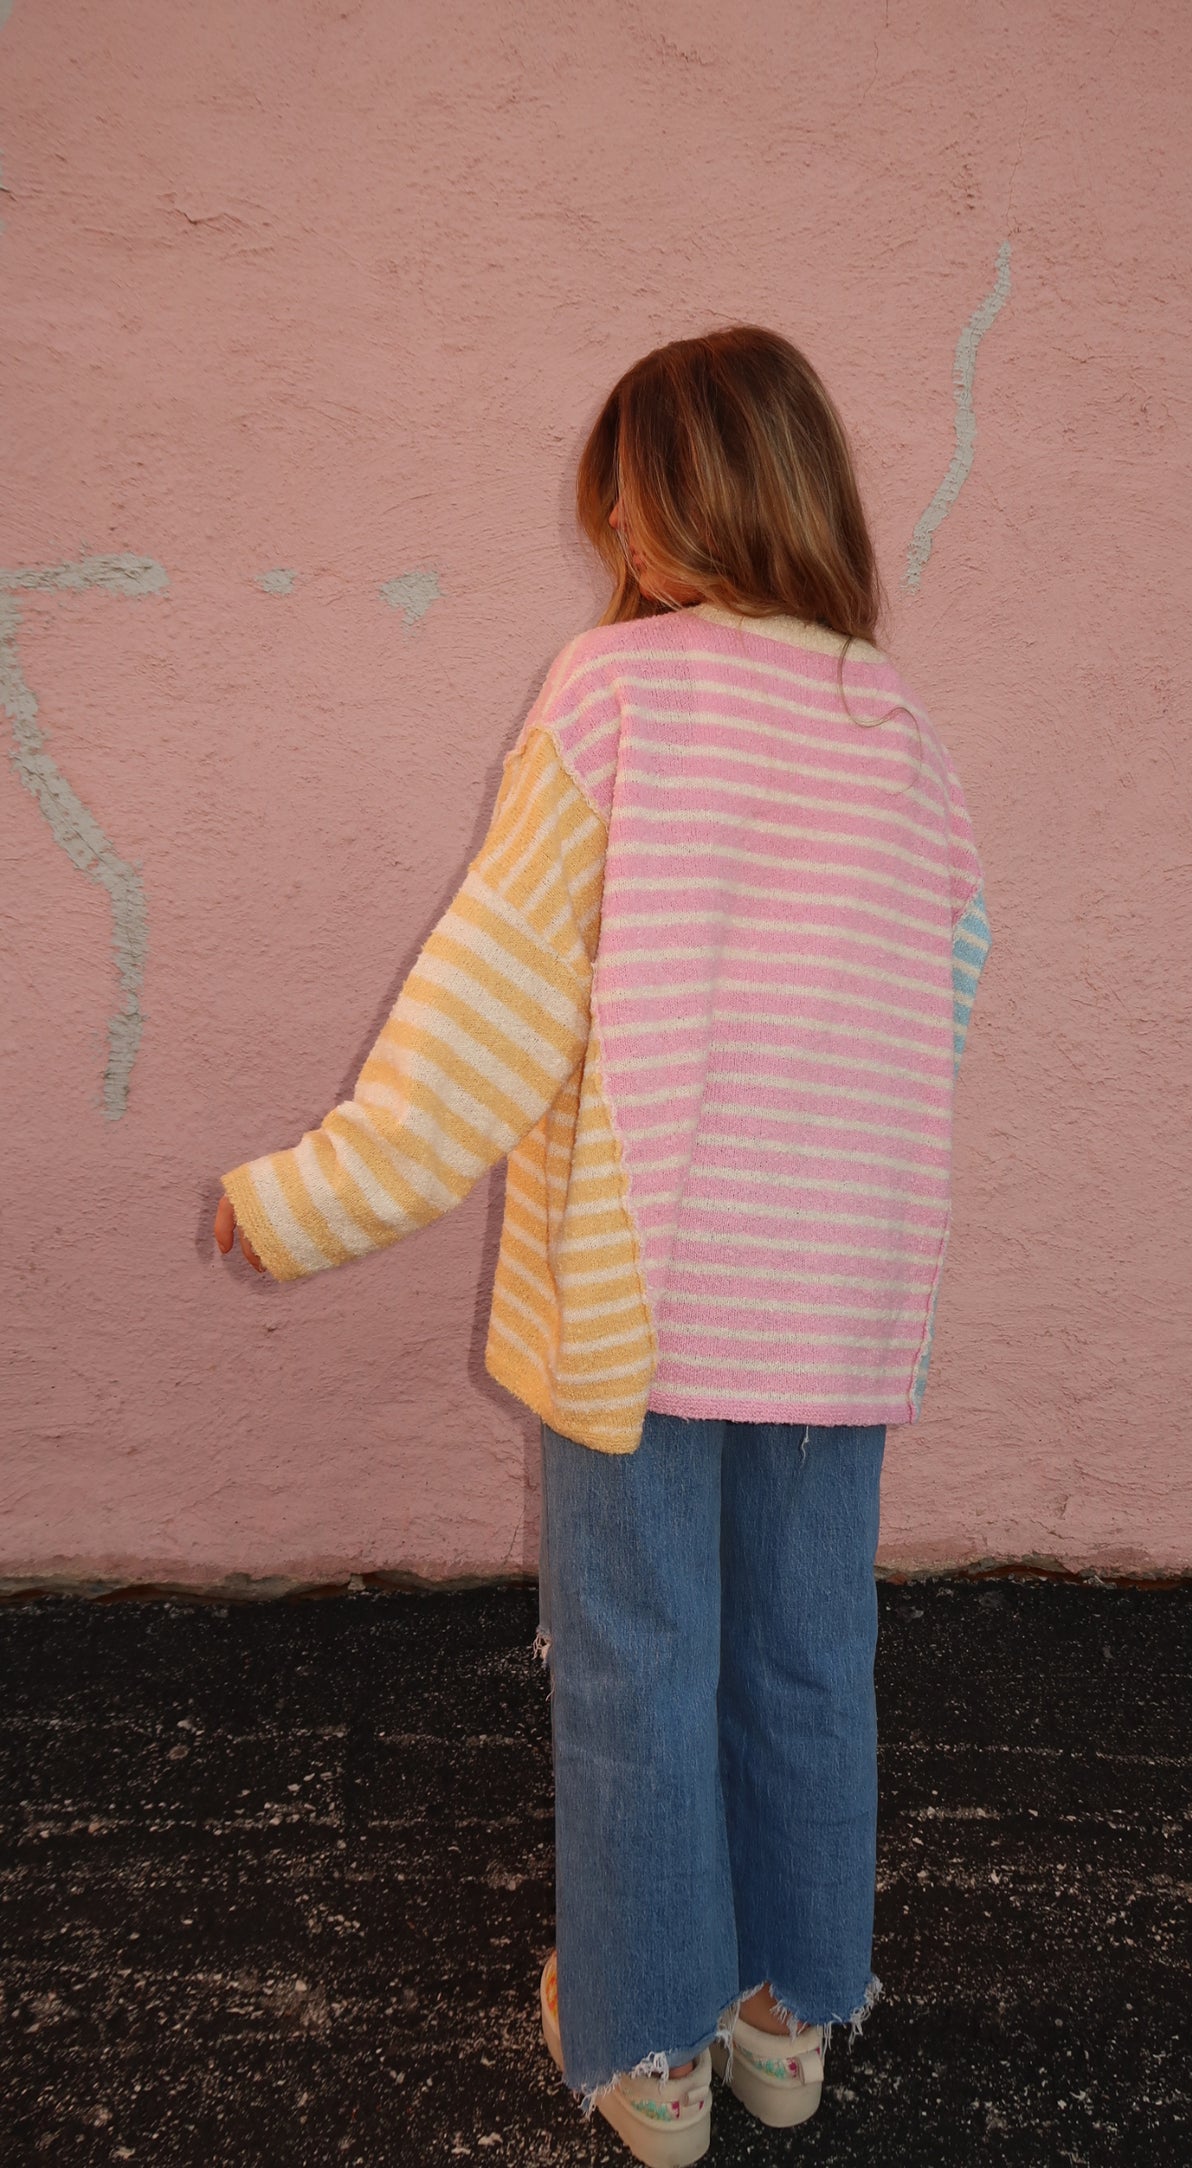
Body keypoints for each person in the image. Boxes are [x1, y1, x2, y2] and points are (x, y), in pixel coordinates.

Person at [214, 324, 992, 2167]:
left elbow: (487, 1012)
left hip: (646, 1310)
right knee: (809, 1658)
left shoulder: (615, 695)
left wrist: (312, 1192)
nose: (616, 528)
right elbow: (945, 984)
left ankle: (650, 2046)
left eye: (622, 491)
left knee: (639, 1661)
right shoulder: (897, 728)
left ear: (673, 501)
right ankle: (786, 2018)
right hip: (836, 1309)